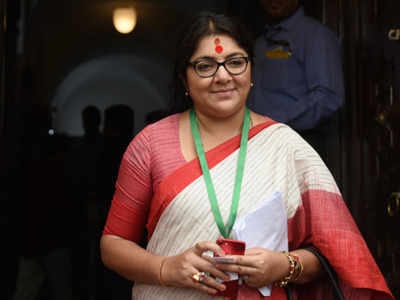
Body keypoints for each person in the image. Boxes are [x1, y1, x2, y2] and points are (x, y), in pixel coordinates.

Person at [100, 11, 393, 300]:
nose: (223, 76)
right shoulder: (150, 144)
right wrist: (166, 267)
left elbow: (337, 252)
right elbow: (113, 244)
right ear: (184, 78)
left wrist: (284, 265)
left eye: (235, 62)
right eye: (205, 66)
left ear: (251, 69)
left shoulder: (287, 147)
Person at [248, 0, 345, 162]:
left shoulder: (315, 36)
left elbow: (328, 97)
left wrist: (272, 122)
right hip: (256, 144)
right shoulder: (260, 43)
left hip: (298, 143)